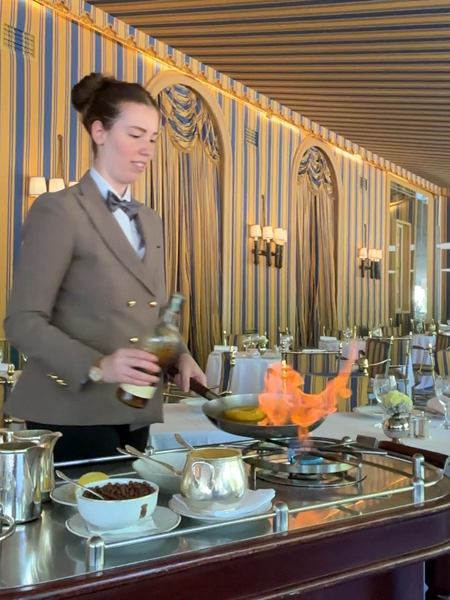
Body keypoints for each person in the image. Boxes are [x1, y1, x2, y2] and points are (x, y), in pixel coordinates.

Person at [3, 73, 206, 462]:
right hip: (70, 411)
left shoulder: (150, 220)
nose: (147, 149)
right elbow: (22, 322)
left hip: (135, 406)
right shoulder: (59, 210)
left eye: (153, 139)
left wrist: (180, 355)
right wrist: (98, 365)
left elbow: (154, 313)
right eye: (135, 135)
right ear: (99, 132)